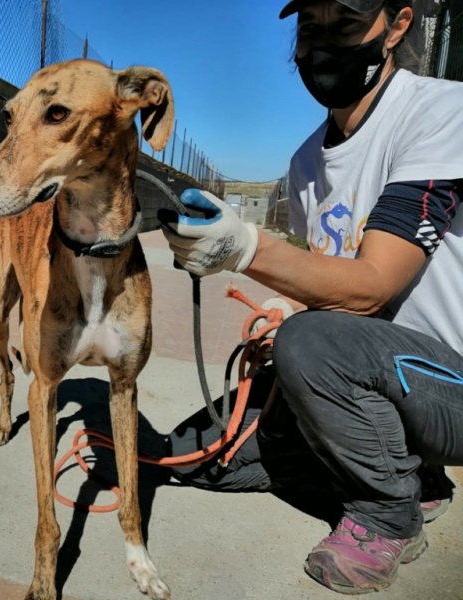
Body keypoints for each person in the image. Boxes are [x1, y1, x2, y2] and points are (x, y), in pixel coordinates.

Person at [158, 0, 463, 595]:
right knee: (199, 456)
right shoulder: (305, 161)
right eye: (310, 29)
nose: (324, 47)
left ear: (398, 25)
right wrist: (285, 315)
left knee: (314, 342)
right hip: (376, 369)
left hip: (451, 387)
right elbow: (330, 280)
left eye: (346, 25)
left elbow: (372, 287)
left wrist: (247, 249)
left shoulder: (441, 111)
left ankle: (388, 512)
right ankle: (389, 466)